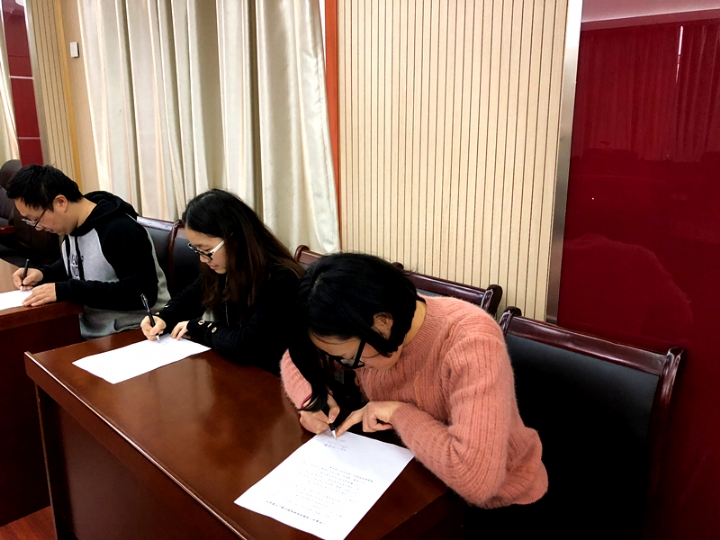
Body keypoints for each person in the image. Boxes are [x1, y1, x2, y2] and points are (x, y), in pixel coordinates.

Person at [280, 253, 548, 510]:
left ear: (383, 323)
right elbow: (296, 360)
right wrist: (311, 400)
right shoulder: (368, 328)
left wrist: (397, 413)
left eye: (351, 359)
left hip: (497, 500)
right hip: (414, 475)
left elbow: (475, 480)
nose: (348, 365)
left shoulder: (471, 342)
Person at [141, 189, 303, 376]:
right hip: (234, 372)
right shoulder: (225, 267)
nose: (203, 259)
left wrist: (199, 327)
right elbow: (192, 297)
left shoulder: (282, 278)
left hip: (274, 379)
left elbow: (246, 344)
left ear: (234, 239)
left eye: (206, 250)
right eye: (197, 250)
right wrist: (164, 317)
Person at [7, 164, 170, 339]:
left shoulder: (120, 230)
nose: (39, 227)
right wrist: (42, 274)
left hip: (136, 330)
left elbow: (141, 294)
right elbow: (77, 263)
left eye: (36, 219)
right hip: (91, 329)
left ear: (60, 202)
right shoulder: (72, 226)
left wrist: (68, 290)